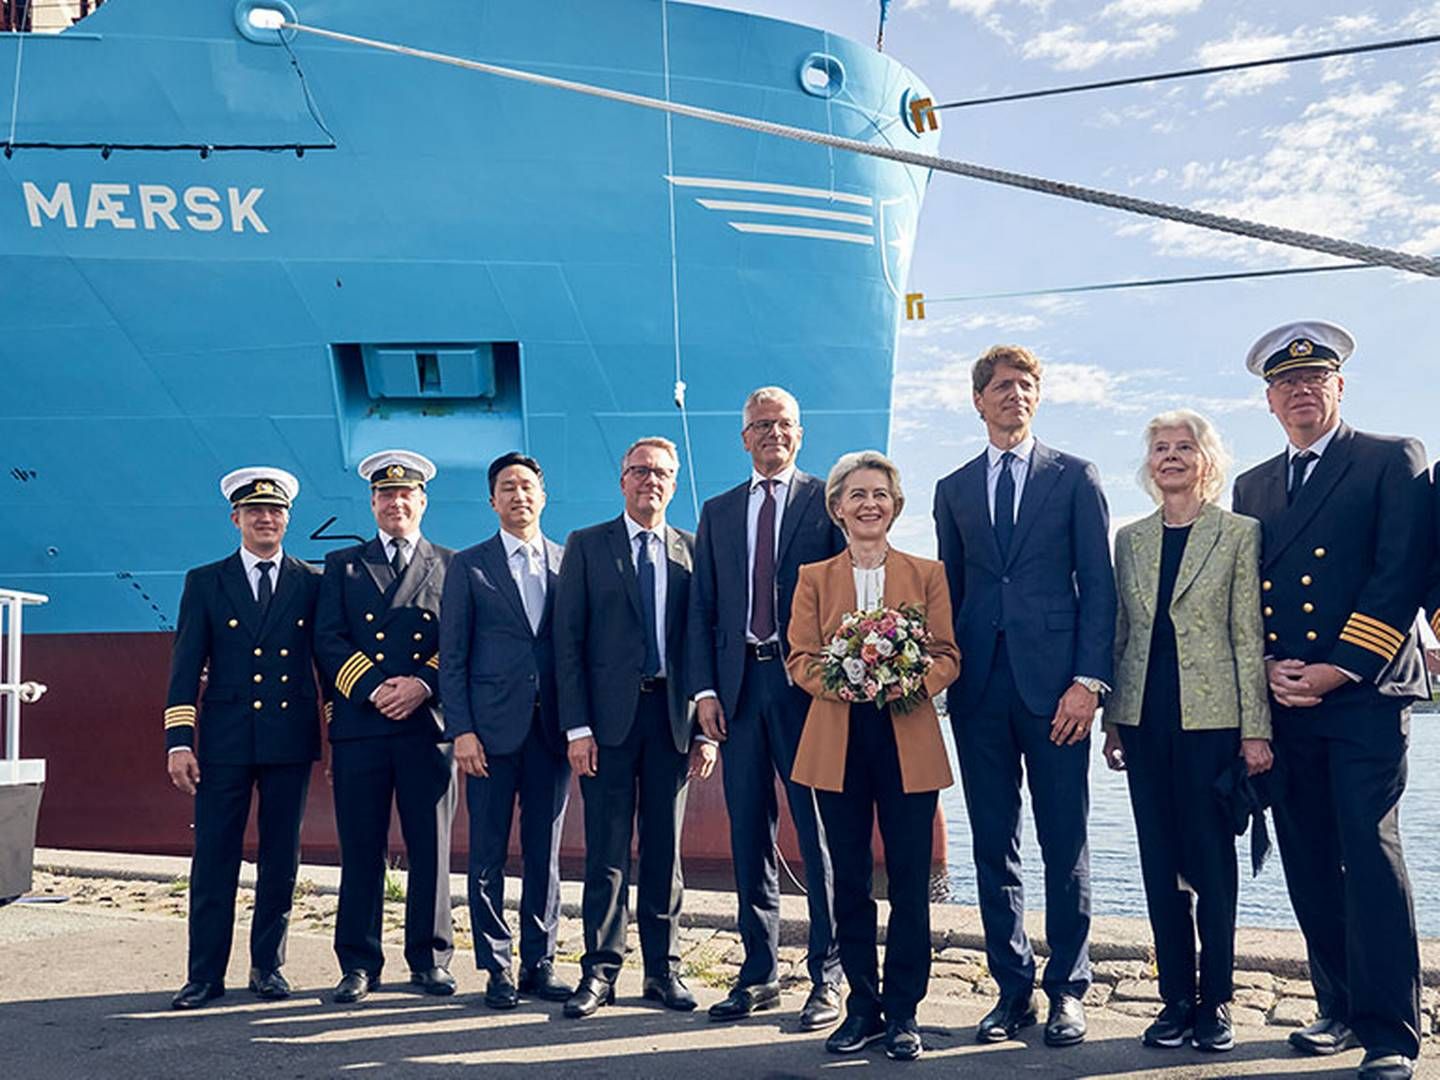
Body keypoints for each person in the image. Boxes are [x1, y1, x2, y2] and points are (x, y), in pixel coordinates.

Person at [1232, 321, 1430, 1080]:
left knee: (1369, 852)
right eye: (1286, 384)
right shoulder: (1252, 485)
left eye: (1315, 379)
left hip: (1364, 695)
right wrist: (1270, 669)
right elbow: (1248, 591)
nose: (1301, 392)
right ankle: (1339, 1006)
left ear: (1339, 388)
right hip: (1285, 700)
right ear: (1270, 401)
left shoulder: (1388, 459)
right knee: (1309, 856)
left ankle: (1390, 1031)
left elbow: (1401, 570)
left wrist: (1337, 668)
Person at [932, 344, 1116, 1047]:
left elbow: (1096, 587)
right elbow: (950, 588)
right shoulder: (952, 489)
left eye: (1026, 385)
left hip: (1057, 692)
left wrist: (1088, 683)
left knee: (1064, 841)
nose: (1015, 394)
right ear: (978, 400)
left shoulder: (1074, 477)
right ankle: (1012, 991)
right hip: (979, 691)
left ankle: (1069, 987)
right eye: (1003, 386)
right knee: (992, 846)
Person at [1102, 410, 1273, 1054]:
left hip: (1213, 723)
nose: (1171, 457)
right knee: (1158, 862)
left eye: (1184, 448)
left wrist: (1256, 730)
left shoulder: (1237, 533)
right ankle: (1174, 997)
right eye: (1160, 448)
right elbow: (1122, 632)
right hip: (1146, 723)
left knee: (1210, 861)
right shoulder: (1132, 539)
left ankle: (1217, 1001)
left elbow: (1246, 634)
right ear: (1149, 464)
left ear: (1207, 461)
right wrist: (1114, 720)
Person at [787, 450, 959, 1062]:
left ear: (895, 505)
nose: (868, 504)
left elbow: (947, 655)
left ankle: (905, 1011)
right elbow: (799, 658)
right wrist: (846, 679)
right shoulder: (813, 577)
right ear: (837, 508)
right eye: (856, 494)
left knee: (911, 882)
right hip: (838, 743)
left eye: (879, 495)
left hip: (906, 737)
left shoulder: (927, 573)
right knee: (850, 881)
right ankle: (861, 1006)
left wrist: (905, 678)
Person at [687, 387, 845, 1030]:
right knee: (748, 833)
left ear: (799, 435)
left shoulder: (825, 503)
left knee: (818, 833)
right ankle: (759, 972)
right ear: (744, 437)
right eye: (761, 425)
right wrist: (703, 693)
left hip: (804, 689)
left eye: (783, 424)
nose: (773, 433)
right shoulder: (718, 511)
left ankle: (828, 975)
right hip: (739, 693)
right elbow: (702, 610)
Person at [554, 437, 717, 1018]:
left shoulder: (695, 552)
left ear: (673, 484)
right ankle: (599, 971)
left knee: (664, 855)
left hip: (672, 722)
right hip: (606, 724)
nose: (652, 480)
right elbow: (566, 644)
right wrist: (576, 727)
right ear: (622, 480)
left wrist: (705, 729)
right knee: (606, 852)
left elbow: (704, 643)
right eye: (641, 470)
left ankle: (663, 970)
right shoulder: (587, 545)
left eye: (662, 472)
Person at [165, 467, 322, 1009]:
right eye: (255, 510)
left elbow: (324, 663)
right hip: (226, 741)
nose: (266, 518)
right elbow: (185, 666)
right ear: (236, 518)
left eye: (275, 510)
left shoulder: (310, 581)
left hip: (288, 739)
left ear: (287, 519)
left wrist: (339, 733)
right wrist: (179, 740)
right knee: (214, 857)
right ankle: (204, 975)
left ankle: (268, 967)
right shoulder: (205, 581)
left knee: (281, 858)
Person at [314, 450, 457, 1004]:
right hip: (363, 725)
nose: (396, 503)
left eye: (406, 494)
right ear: (372, 502)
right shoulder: (343, 566)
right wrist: (374, 687)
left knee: (432, 848)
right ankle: (358, 962)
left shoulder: (451, 564)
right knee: (362, 848)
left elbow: (459, 639)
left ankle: (431, 957)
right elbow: (328, 639)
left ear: (422, 501)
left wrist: (422, 683)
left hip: (426, 726)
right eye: (385, 494)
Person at [439, 452, 573, 1009]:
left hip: (554, 731)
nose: (519, 496)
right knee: (488, 851)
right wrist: (461, 731)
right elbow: (452, 657)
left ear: (543, 496)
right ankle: (496, 964)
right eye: (507, 488)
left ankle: (539, 962)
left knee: (545, 853)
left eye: (527, 487)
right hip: (489, 735)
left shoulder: (570, 564)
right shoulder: (469, 566)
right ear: (492, 501)